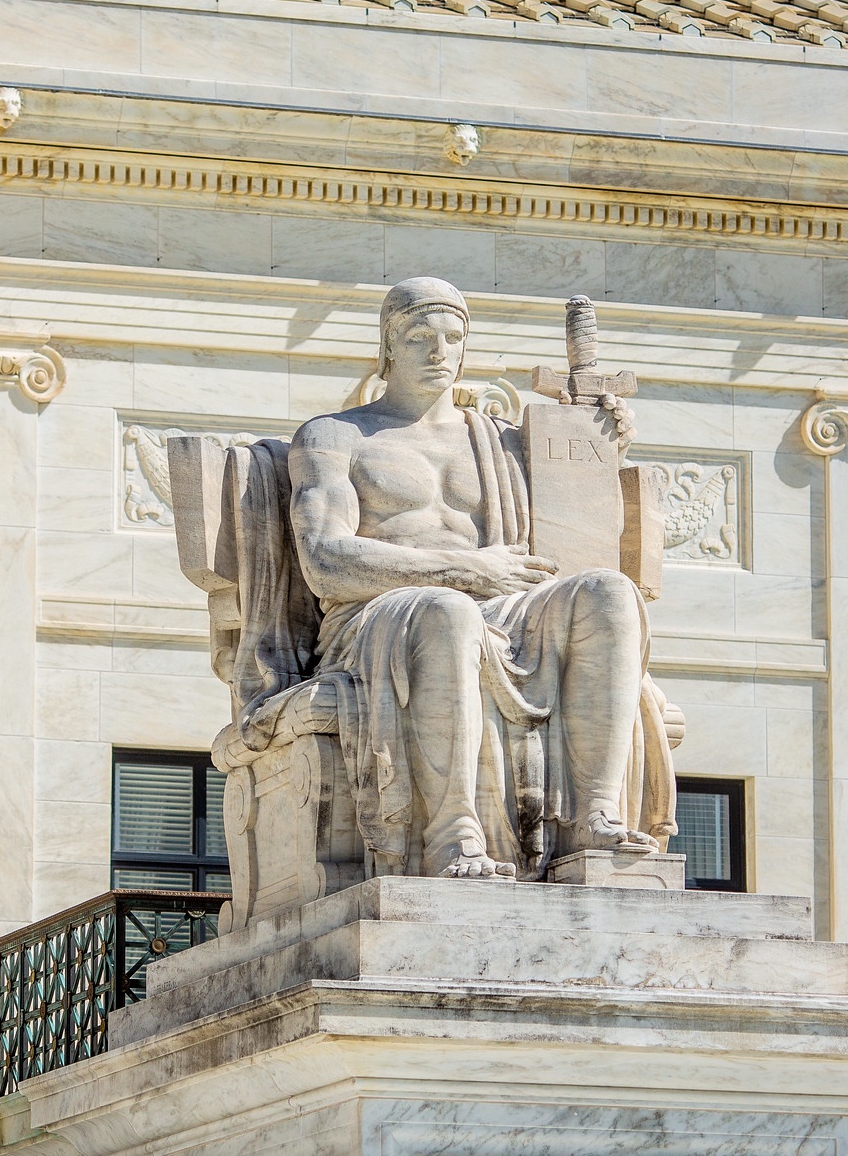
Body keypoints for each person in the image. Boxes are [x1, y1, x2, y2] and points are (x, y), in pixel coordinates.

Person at [287, 276, 672, 880]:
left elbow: (579, 520)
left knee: (608, 594)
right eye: (420, 337)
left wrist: (602, 441)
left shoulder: (500, 441)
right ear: (387, 345)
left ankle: (592, 823)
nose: (439, 351)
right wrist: (466, 568)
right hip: (378, 613)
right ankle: (453, 835)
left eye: (453, 337)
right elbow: (326, 560)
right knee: (447, 610)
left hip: (500, 603)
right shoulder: (335, 436)